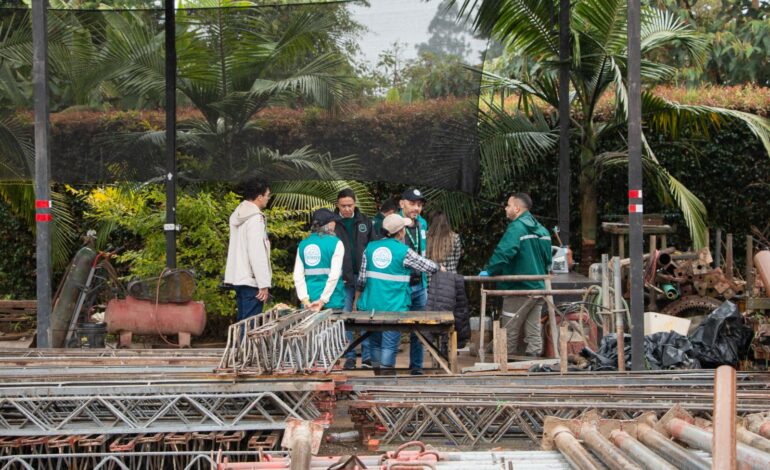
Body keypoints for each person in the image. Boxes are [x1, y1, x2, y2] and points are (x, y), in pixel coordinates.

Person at [355, 214, 443, 372]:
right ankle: (387, 373)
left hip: (371, 306)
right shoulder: (403, 251)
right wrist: (439, 267)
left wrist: (357, 299)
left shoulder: (370, 248)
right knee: (389, 341)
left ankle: (377, 373)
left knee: (374, 339)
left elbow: (361, 280)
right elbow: (426, 265)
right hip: (393, 305)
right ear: (401, 232)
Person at [481, 193, 552, 357]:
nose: (506, 208)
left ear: (517, 208)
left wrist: (490, 270)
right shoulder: (542, 230)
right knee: (532, 327)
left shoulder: (517, 228)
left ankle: (505, 360)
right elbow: (548, 261)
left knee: (509, 328)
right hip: (539, 287)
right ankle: (534, 359)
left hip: (518, 287)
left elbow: (504, 253)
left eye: (508, 205)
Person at [334, 188, 375, 369]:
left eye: (350, 205)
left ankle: (367, 357)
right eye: (343, 206)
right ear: (337, 205)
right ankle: (349, 355)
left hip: (365, 277)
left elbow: (373, 247)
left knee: (366, 316)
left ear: (355, 203)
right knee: (345, 317)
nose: (347, 209)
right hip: (344, 278)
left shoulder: (365, 221)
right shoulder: (333, 223)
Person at [224, 178, 272, 321]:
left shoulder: (238, 214)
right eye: (267, 195)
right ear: (259, 197)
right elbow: (257, 253)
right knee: (251, 327)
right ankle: (244, 345)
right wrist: (263, 284)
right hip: (252, 281)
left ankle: (239, 345)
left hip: (239, 278)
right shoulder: (255, 218)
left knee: (242, 323)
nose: (268, 199)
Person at [399, 188, 430, 374]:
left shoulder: (423, 224)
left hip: (420, 283)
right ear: (402, 203)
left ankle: (416, 367)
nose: (416, 208)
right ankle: (386, 368)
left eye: (419, 205)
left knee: (419, 328)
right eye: (412, 204)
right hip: (400, 285)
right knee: (393, 326)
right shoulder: (393, 222)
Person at [293, 209, 345, 312]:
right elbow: (334, 276)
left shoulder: (303, 244)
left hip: (309, 302)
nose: (335, 225)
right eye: (334, 222)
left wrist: (305, 300)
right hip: (332, 301)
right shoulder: (336, 243)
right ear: (329, 224)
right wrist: (322, 301)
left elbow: (298, 276)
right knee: (334, 328)